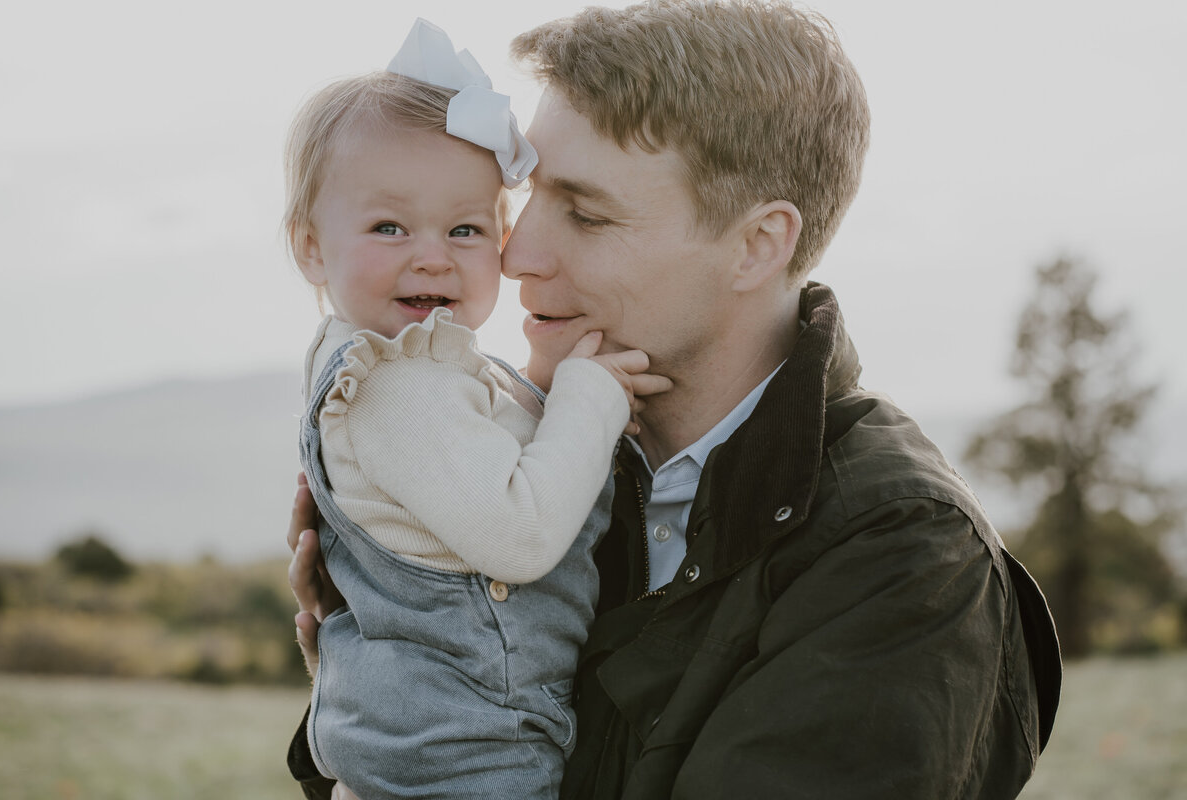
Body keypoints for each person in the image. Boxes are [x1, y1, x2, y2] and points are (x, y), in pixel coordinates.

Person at [287, 2, 1063, 798]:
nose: (516, 254)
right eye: (526, 203)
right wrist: (389, 660)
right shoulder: (530, 451)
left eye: (586, 213)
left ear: (758, 245)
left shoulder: (903, 555)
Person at [283, 18, 672, 799]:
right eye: (388, 226)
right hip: (462, 766)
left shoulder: (425, 374)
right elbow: (521, 536)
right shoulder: (393, 381)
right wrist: (589, 401)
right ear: (312, 248)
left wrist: (544, 383)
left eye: (465, 229)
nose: (432, 253)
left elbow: (481, 454)